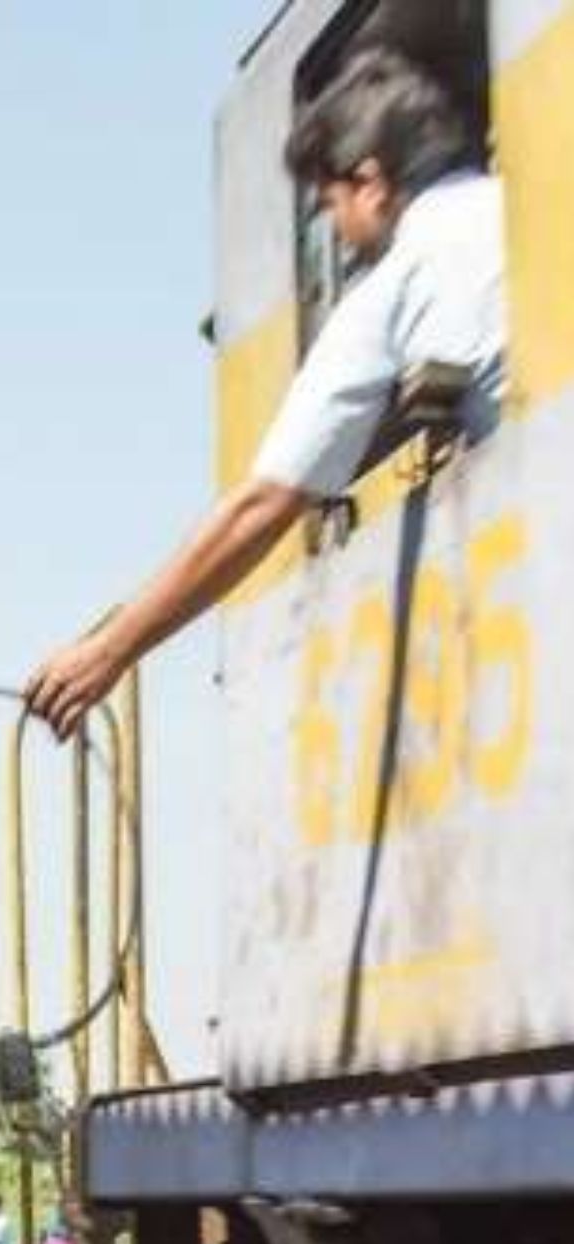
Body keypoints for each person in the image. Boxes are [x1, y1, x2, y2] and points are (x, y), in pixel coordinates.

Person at [26, 46, 505, 740]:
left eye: (330, 207)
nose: (338, 233)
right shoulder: (521, 207)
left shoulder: (401, 277)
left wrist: (109, 650)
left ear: (371, 183)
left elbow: (265, 501)